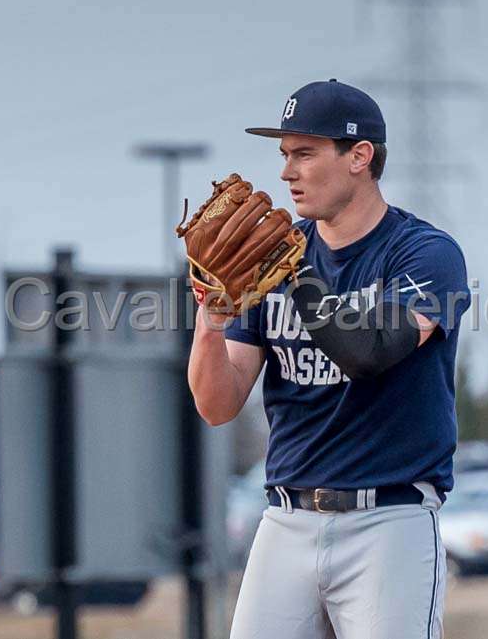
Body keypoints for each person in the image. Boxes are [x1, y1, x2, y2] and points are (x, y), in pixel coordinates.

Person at [186, 78, 470, 639]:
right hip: (285, 520)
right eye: (284, 155)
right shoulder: (272, 259)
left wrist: (295, 274)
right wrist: (210, 322)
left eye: (305, 154)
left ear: (359, 156)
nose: (287, 172)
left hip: (389, 522)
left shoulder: (426, 254)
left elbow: (368, 352)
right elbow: (217, 404)